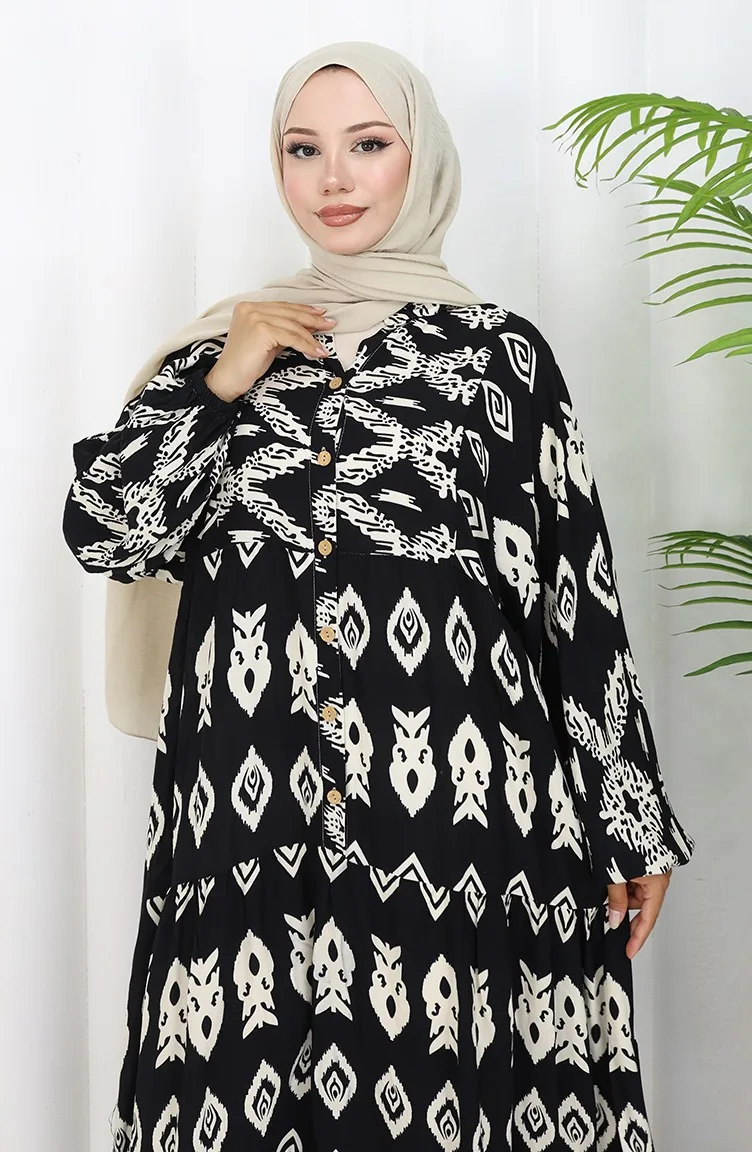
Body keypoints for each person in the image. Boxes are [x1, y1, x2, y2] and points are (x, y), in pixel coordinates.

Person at [62, 40, 694, 1152]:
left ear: (422, 158)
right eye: (302, 150)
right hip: (247, 814)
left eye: (367, 145)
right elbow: (110, 533)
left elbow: (572, 602)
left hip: (459, 814)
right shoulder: (222, 352)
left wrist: (628, 818)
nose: (334, 179)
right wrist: (223, 383)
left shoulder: (497, 360)